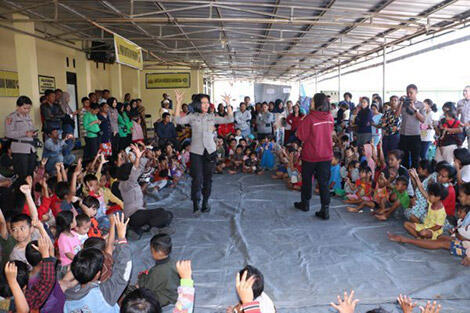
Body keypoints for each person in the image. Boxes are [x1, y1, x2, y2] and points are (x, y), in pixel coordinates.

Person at [174, 92, 234, 214]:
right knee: (197, 179)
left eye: (207, 102)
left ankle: (205, 203)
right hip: (196, 152)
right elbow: (177, 120)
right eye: (203, 103)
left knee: (208, 179)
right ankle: (196, 203)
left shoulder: (212, 116)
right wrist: (178, 102)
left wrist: (228, 104)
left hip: (210, 151)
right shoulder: (192, 116)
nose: (206, 105)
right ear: (197, 104)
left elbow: (230, 118)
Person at [64, 214, 131, 313]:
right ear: (97, 274)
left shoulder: (67, 302)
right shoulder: (105, 293)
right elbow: (123, 273)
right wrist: (121, 238)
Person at [294, 93, 334, 220]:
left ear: (317, 103)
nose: (310, 103)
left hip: (310, 155)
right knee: (324, 183)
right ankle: (325, 209)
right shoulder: (330, 117)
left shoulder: (309, 118)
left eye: (312, 101)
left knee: (307, 180)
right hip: (326, 155)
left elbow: (301, 136)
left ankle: (305, 204)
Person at [136, 234, 179, 307]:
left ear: (154, 251)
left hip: (165, 298)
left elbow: (146, 288)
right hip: (173, 292)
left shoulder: (157, 271)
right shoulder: (174, 262)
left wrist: (141, 278)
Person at [4, 96, 38, 182]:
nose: (27, 110)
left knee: (30, 175)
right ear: (18, 106)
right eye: (25, 108)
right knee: (22, 175)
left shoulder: (28, 117)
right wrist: (25, 134)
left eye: (29, 108)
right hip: (20, 149)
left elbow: (31, 130)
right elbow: (8, 133)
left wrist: (33, 133)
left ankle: (30, 194)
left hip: (31, 149)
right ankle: (21, 195)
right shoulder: (11, 117)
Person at [397, 84, 425, 168]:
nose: (409, 95)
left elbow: (422, 120)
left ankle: (414, 177)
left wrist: (414, 109)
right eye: (407, 93)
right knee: (403, 158)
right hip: (403, 135)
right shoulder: (403, 104)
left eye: (411, 93)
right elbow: (397, 115)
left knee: (415, 158)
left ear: (416, 93)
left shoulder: (420, 105)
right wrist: (401, 103)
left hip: (415, 135)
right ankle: (404, 177)